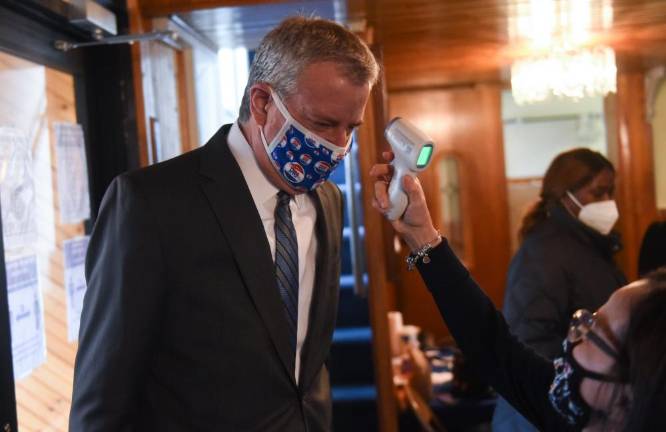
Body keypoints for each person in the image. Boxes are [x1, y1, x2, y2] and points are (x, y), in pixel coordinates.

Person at [70, 16, 379, 431]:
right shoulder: (150, 204)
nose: (338, 147)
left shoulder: (328, 199)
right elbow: (102, 397)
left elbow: (305, 363)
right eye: (323, 124)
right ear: (262, 103)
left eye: (350, 129)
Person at [370, 152, 666, 431]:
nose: (574, 336)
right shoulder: (567, 403)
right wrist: (421, 235)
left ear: (632, 377)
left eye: (594, 329)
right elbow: (491, 342)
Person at [495, 148, 627, 431]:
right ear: (566, 197)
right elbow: (528, 342)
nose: (608, 202)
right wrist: (597, 361)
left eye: (610, 193)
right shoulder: (543, 253)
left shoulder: (590, 247)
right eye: (598, 193)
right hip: (542, 415)